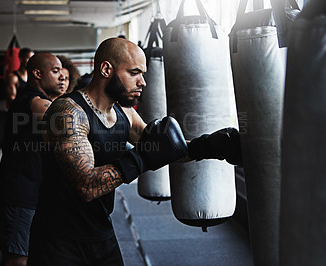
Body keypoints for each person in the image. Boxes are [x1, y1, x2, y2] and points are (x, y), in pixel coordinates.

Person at [27, 37, 242, 265]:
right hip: (57, 239)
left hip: (101, 231)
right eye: (134, 73)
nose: (143, 82)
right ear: (106, 69)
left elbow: (165, 148)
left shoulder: (125, 114)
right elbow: (86, 186)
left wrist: (208, 147)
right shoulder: (68, 112)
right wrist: (143, 158)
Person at [0, 52, 67, 266]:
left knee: (35, 253)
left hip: (32, 190)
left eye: (62, 71)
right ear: (37, 74)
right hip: (18, 193)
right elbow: (60, 119)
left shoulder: (38, 100)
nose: (62, 76)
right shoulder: (31, 99)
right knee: (17, 259)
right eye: (55, 71)